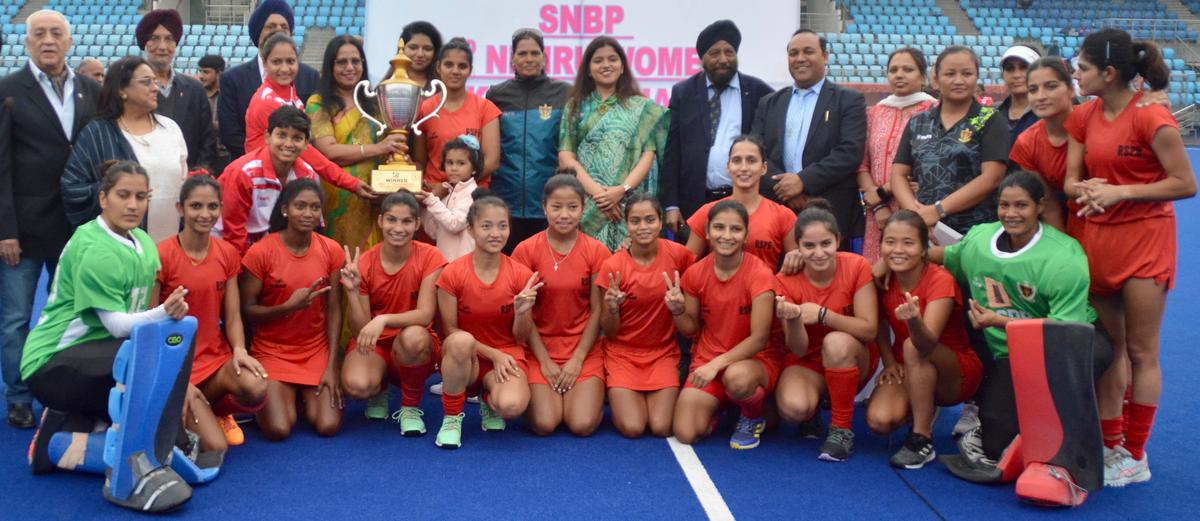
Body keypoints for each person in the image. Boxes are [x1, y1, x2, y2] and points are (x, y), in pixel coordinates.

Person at [1064, 28, 1196, 486]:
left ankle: (1136, 454)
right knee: (1112, 349)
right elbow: (1071, 180)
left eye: (1081, 68)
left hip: (1144, 241)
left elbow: (1185, 183)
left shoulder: (1151, 117)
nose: (1076, 75)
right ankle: (1110, 441)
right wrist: (1085, 190)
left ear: (1109, 72)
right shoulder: (1085, 115)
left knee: (1142, 351)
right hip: (1099, 240)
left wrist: (1121, 192)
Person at [22, 161, 194, 512]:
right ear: (103, 198)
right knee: (138, 360)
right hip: (53, 361)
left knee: (151, 356)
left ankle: (72, 425)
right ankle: (114, 468)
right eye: (123, 195)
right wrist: (164, 312)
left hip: (98, 356)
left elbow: (137, 318)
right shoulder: (94, 247)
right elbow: (118, 325)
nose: (133, 205)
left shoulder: (143, 243)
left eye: (141, 197)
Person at [933, 172, 1113, 481]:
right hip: (1010, 354)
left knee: (1068, 385)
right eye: (1004, 205)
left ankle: (1071, 430)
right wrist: (898, 255)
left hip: (1070, 346)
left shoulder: (1063, 258)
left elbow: (1064, 331)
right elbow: (946, 257)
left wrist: (1000, 320)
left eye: (1021, 205)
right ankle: (1001, 422)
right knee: (994, 445)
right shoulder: (978, 240)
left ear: (1040, 206)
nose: (1011, 214)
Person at [0, 9, 101, 429]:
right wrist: (5, 230)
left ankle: (63, 393)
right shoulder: (8, 90)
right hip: (22, 230)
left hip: (76, 227)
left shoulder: (91, 90)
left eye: (56, 33)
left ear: (70, 41)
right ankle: (19, 396)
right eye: (38, 33)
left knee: (75, 317)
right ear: (25, 42)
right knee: (15, 320)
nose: (47, 40)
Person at [154, 175, 269, 451]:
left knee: (256, 385)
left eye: (212, 207)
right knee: (217, 448)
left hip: (214, 360)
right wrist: (176, 380)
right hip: (175, 365)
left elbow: (231, 317)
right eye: (196, 206)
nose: (205, 215)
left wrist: (240, 350)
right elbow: (150, 326)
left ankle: (216, 410)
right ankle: (181, 407)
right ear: (180, 208)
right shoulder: (161, 254)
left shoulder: (227, 253)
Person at [863, 210, 981, 469]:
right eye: (890, 242)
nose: (898, 250)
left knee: (913, 345)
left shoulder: (941, 280)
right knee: (880, 421)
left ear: (923, 249)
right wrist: (889, 361)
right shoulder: (882, 279)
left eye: (908, 243)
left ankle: (921, 438)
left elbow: (926, 344)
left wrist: (914, 322)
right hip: (908, 365)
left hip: (956, 371)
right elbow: (879, 323)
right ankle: (923, 403)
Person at [667, 200, 781, 450]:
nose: (726, 236)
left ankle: (751, 415)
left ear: (746, 235)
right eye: (719, 228)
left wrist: (715, 365)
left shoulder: (760, 273)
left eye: (735, 229)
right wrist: (677, 311)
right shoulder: (695, 273)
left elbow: (759, 339)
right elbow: (690, 329)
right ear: (707, 232)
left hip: (753, 362)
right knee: (686, 433)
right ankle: (728, 407)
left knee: (737, 379)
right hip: (708, 361)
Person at [240, 178, 346, 440]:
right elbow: (246, 310)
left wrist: (332, 366)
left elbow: (334, 310)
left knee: (328, 426)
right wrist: (287, 307)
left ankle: (300, 394)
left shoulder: (331, 250)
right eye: (300, 206)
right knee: (278, 430)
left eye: (315, 207)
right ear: (285, 209)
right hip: (272, 351)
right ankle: (285, 394)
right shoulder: (261, 252)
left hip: (314, 352)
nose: (308, 213)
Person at [773, 199, 878, 462]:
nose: (818, 253)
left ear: (838, 240)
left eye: (825, 244)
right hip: (807, 360)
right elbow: (797, 348)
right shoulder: (783, 281)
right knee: (794, 408)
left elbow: (868, 330)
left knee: (836, 342)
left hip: (851, 356)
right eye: (809, 246)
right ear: (797, 247)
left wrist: (822, 315)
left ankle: (841, 429)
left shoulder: (856, 266)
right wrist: (795, 318)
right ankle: (814, 411)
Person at [434, 196, 541, 449]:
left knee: (512, 406)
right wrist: (492, 354)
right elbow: (448, 330)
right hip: (465, 356)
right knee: (461, 341)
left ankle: (488, 398)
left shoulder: (521, 275)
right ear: (470, 229)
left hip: (506, 355)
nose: (495, 233)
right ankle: (451, 418)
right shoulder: (452, 273)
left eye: (502, 226)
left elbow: (521, 337)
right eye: (486, 226)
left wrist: (522, 312)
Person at [339, 191, 446, 436]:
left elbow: (425, 314)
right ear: (380, 221)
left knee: (415, 337)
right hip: (375, 342)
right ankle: (380, 388)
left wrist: (384, 318)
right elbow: (360, 330)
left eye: (406, 221)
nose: (398, 228)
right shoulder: (365, 262)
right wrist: (353, 292)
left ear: (417, 224)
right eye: (391, 220)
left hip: (413, 342)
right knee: (357, 386)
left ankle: (409, 406)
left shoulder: (431, 256)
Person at [513, 174, 610, 436]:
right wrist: (544, 361)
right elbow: (525, 311)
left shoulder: (597, 251)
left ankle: (591, 392)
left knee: (581, 425)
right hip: (539, 348)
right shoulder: (525, 250)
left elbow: (598, 310)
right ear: (544, 207)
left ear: (583, 208)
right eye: (556, 207)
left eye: (572, 207)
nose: (564, 215)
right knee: (545, 424)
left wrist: (577, 359)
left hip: (583, 349)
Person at [752, 29, 867, 251]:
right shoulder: (769, 103)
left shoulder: (848, 100)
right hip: (778, 209)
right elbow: (757, 152)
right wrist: (785, 189)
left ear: (824, 56)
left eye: (808, 51)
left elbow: (849, 152)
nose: (800, 58)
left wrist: (803, 181)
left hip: (830, 210)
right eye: (793, 53)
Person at [662, 20, 774, 240]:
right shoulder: (683, 92)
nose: (723, 59)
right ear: (702, 58)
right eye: (714, 53)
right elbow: (672, 152)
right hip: (693, 203)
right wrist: (672, 204)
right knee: (694, 267)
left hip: (743, 201)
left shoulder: (758, 91)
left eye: (729, 52)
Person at [596, 193, 695, 438]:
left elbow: (691, 327)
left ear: (661, 222)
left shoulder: (680, 256)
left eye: (650, 220)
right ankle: (612, 393)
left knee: (662, 427)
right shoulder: (612, 266)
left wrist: (678, 309)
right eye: (636, 221)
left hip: (662, 354)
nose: (643, 227)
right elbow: (609, 331)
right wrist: (612, 308)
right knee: (633, 427)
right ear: (626, 225)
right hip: (622, 354)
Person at [62, 56, 189, 242]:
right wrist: (117, 190)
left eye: (155, 81)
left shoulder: (170, 128)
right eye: (146, 82)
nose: (155, 88)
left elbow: (184, 181)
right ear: (122, 90)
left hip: (171, 244)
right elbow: (72, 188)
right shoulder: (97, 134)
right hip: (118, 248)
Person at [559, 36, 668, 251]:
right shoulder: (575, 107)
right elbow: (566, 156)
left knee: (629, 270)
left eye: (612, 59)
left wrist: (621, 190)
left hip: (630, 204)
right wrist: (600, 196)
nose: (606, 65)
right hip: (588, 203)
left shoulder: (643, 107)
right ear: (589, 70)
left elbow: (649, 154)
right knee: (591, 267)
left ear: (622, 67)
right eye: (598, 61)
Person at [891, 46, 1009, 235]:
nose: (959, 80)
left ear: (977, 77)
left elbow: (992, 178)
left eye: (967, 73)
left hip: (975, 233)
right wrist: (917, 217)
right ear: (936, 80)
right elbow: (898, 174)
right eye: (950, 74)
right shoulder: (918, 121)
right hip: (925, 231)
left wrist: (938, 210)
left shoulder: (990, 119)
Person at [307, 35, 408, 251]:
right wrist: (380, 148)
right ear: (330, 66)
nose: (350, 67)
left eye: (356, 61)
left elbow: (388, 148)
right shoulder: (318, 103)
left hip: (374, 195)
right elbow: (329, 151)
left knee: (372, 263)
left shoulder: (375, 102)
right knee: (338, 259)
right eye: (342, 62)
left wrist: (399, 158)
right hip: (337, 195)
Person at [243, 33, 372, 199]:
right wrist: (350, 182)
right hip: (265, 188)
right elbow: (307, 152)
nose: (284, 68)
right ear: (265, 64)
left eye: (290, 61)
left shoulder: (291, 96)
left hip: (284, 184)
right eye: (276, 62)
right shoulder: (267, 102)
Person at [486, 28, 571, 251]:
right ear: (512, 58)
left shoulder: (564, 92)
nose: (529, 59)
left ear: (544, 57)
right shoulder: (496, 94)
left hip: (549, 201)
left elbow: (571, 145)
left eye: (535, 53)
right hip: (505, 201)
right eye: (522, 54)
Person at [857, 48, 936, 262]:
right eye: (893, 70)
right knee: (876, 274)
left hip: (916, 206)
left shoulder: (934, 111)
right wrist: (879, 205)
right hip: (878, 214)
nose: (899, 75)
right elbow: (862, 165)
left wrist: (884, 191)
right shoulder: (875, 113)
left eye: (908, 69)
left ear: (923, 77)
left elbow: (925, 162)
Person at [218, 0, 318, 159]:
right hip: (250, 170)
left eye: (284, 26)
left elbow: (313, 129)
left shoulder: (310, 76)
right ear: (258, 32)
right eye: (271, 26)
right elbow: (230, 134)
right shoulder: (233, 79)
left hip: (298, 169)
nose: (278, 30)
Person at [215, 105, 320, 253]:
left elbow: (309, 227)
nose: (288, 144)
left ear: (306, 143)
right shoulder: (244, 172)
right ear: (267, 137)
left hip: (274, 250)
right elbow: (233, 232)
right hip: (228, 247)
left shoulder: (308, 175)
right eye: (282, 135)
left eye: (297, 138)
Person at [685, 135, 797, 268]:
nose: (744, 167)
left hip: (765, 288)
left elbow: (796, 272)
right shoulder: (707, 212)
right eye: (737, 160)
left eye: (751, 160)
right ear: (728, 167)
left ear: (764, 168)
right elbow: (686, 266)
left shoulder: (783, 217)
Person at [413, 38, 501, 190]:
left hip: (472, 198)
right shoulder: (424, 109)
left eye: (462, 66)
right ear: (438, 67)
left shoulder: (486, 108)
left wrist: (452, 187)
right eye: (448, 65)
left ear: (470, 70)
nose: (455, 71)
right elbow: (420, 161)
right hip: (433, 196)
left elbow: (491, 161)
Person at [137, 9, 218, 171]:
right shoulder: (132, 86)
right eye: (155, 38)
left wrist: (197, 175)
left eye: (169, 39)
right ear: (144, 43)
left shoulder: (194, 89)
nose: (162, 46)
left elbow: (207, 141)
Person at [1009, 56, 1076, 232]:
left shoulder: (1094, 122)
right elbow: (1048, 204)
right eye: (1033, 89)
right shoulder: (1026, 142)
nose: (1040, 96)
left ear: (1071, 90)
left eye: (1051, 86)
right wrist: (1064, 247)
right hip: (1066, 225)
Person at [419, 136, 480, 261]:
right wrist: (422, 206)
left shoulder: (472, 193)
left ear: (474, 168)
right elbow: (434, 232)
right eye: (449, 162)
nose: (454, 168)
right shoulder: (447, 191)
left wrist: (431, 200)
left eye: (461, 163)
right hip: (445, 264)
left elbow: (454, 224)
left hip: (463, 267)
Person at [996, 45, 1041, 144]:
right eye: (1009, 68)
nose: (1016, 75)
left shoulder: (1049, 115)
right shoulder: (993, 115)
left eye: (1024, 67)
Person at [197, 55, 230, 174]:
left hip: (225, 156)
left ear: (218, 73)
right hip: (202, 157)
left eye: (206, 72)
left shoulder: (229, 95)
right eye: (200, 71)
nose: (201, 76)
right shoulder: (196, 95)